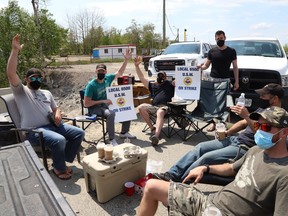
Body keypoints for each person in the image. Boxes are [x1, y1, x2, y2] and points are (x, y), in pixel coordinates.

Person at [138, 106, 288, 216]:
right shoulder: (255, 151)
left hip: (223, 213)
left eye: (266, 127)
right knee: (152, 186)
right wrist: (206, 168)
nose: (260, 130)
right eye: (257, 125)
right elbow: (231, 168)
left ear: (285, 132)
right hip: (210, 201)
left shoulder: (284, 174)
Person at [153, 83, 284, 182]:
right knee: (199, 148)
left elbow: (262, 135)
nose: (260, 97)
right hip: (235, 139)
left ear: (274, 99)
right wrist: (228, 132)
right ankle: (171, 174)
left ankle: (178, 183)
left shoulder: (279, 118)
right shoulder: (263, 109)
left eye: (263, 95)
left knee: (206, 158)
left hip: (245, 147)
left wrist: (247, 116)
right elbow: (244, 124)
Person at [6, 34, 85, 180]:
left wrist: (58, 113)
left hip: (53, 125)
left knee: (79, 133)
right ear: (26, 80)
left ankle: (62, 160)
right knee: (59, 140)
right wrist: (15, 51)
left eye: (39, 77)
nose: (36, 80)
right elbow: (11, 73)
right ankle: (58, 168)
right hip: (34, 131)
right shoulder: (22, 91)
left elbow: (56, 108)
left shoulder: (46, 92)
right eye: (33, 78)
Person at [84, 49, 136, 146]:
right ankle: (111, 139)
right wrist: (102, 100)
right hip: (95, 108)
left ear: (106, 72)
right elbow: (86, 104)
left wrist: (126, 60)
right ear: (96, 71)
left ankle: (124, 132)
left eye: (102, 71)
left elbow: (119, 72)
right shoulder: (91, 85)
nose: (101, 72)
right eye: (99, 71)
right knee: (111, 114)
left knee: (126, 106)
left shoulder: (108, 78)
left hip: (106, 105)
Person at [199, 30, 239, 131]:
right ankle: (213, 123)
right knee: (213, 103)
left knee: (225, 104)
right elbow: (206, 65)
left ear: (225, 38)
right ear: (215, 39)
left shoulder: (231, 51)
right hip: (213, 80)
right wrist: (199, 67)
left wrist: (237, 82)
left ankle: (223, 124)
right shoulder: (212, 51)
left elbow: (235, 67)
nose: (219, 40)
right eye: (217, 39)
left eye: (221, 38)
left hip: (225, 81)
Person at [134, 56, 175, 146]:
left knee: (160, 112)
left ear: (165, 77)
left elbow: (182, 80)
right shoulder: (152, 85)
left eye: (162, 75)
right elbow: (141, 77)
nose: (160, 77)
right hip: (154, 106)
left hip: (166, 107)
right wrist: (137, 66)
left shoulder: (169, 84)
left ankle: (156, 136)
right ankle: (152, 128)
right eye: (159, 75)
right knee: (141, 107)